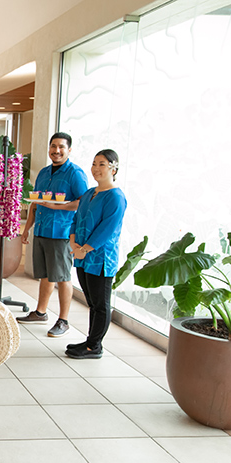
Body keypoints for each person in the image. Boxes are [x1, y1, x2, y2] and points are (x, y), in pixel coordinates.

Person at [18, 133, 88, 337]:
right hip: (41, 229)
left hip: (62, 233)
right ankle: (40, 312)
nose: (56, 151)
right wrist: (27, 228)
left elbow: (82, 202)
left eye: (61, 147)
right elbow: (35, 203)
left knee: (63, 277)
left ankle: (64, 320)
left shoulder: (75, 173)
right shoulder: (44, 172)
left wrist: (59, 206)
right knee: (46, 275)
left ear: (69, 150)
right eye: (53, 146)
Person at [66, 149, 127, 359]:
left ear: (114, 167)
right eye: (94, 164)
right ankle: (91, 340)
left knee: (101, 305)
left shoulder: (116, 197)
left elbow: (107, 229)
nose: (96, 169)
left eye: (102, 164)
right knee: (91, 302)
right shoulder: (89, 193)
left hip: (100, 259)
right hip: (82, 257)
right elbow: (76, 220)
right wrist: (74, 244)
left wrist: (84, 249)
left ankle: (95, 346)